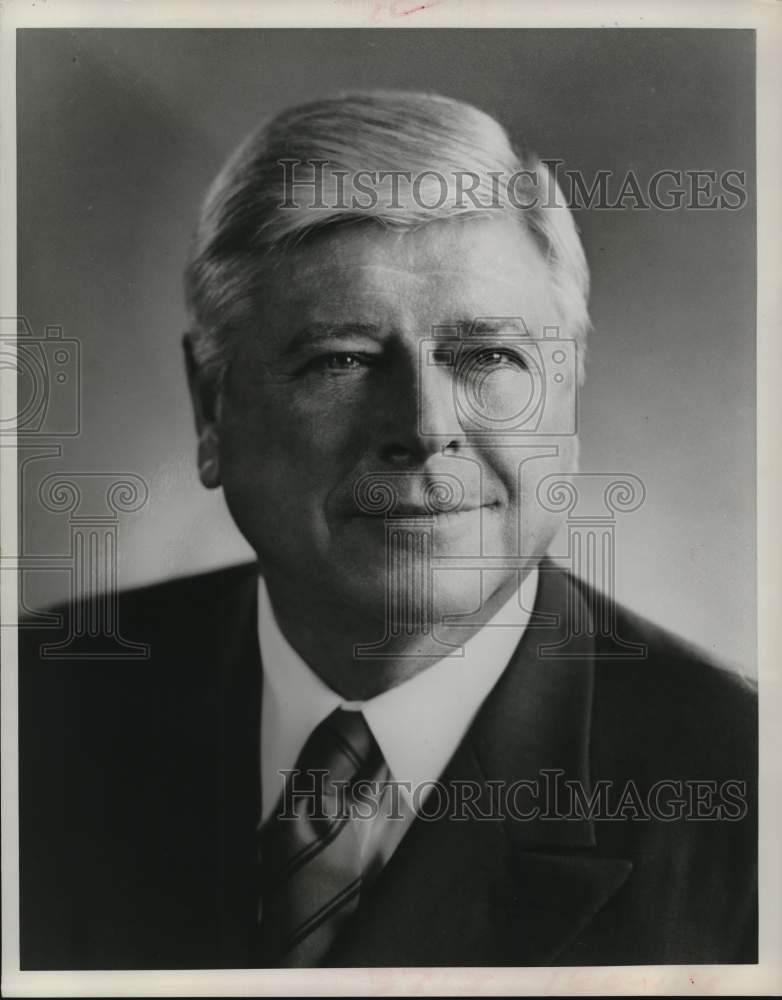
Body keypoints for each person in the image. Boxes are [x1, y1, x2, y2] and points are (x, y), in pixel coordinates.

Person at [18, 91, 756, 969]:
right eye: (343, 360)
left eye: (488, 357)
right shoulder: (29, 711)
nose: (423, 424)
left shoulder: (749, 795)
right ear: (212, 408)